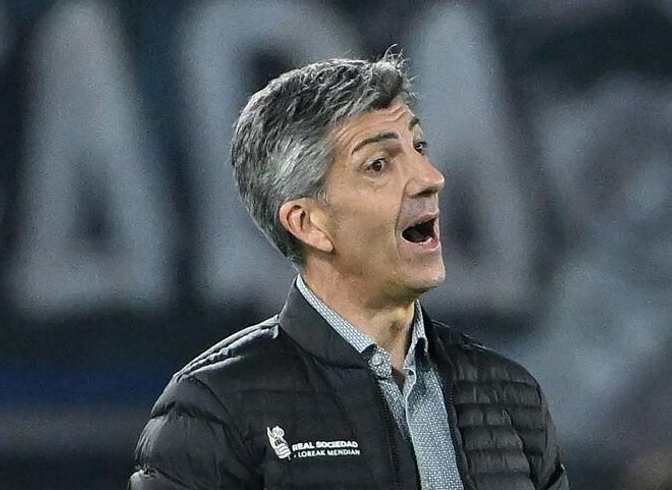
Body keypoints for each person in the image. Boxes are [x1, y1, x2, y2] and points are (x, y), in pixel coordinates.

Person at [128, 52, 569, 490]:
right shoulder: (213, 409)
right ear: (308, 224)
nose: (430, 178)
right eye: (379, 164)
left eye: (419, 148)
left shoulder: (512, 396)